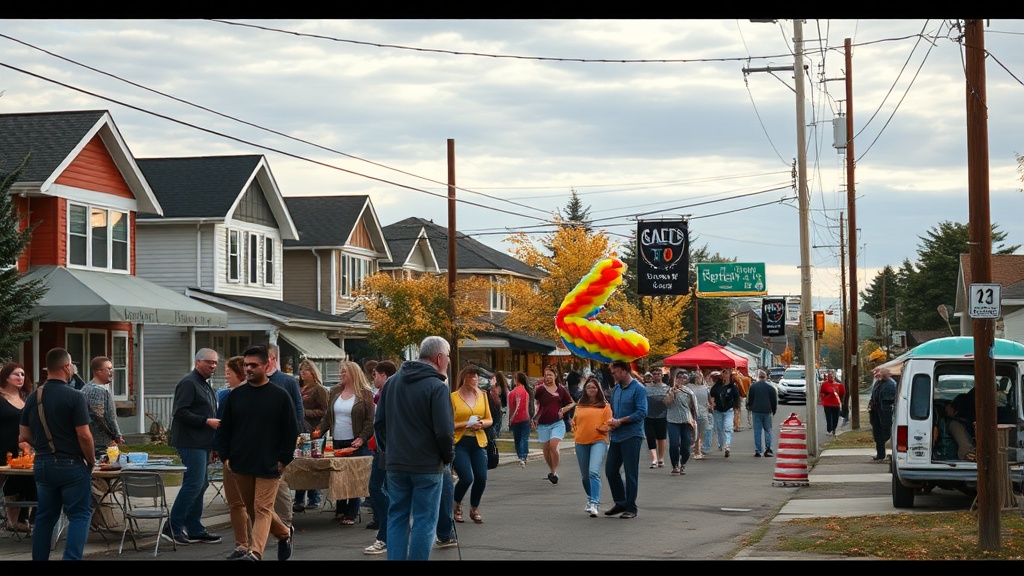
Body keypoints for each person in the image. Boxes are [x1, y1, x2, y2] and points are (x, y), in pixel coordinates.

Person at [374, 335, 455, 561]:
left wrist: (387, 450)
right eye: (447, 357)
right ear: (439, 358)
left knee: (397, 517)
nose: (448, 361)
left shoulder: (391, 383)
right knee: (424, 520)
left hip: (396, 463)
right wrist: (447, 456)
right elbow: (444, 431)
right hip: (427, 465)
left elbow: (378, 423)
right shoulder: (437, 387)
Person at [218, 345, 298, 562]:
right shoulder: (236, 396)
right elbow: (225, 429)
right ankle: (283, 534)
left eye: (254, 365)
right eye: (246, 365)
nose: (249, 369)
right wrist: (225, 456)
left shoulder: (280, 396)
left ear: (266, 365)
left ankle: (255, 553)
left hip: (269, 463)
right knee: (253, 510)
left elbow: (291, 431)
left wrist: (284, 459)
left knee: (262, 508)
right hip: (240, 463)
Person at [19, 348, 94, 560]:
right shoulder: (75, 396)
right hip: (71, 464)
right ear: (66, 367)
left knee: (44, 517)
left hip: (43, 463)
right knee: (80, 514)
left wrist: (44, 445)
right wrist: (91, 459)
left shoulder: (34, 397)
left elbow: (24, 434)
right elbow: (85, 435)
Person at [165, 348, 222, 545]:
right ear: (198, 362)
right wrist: (205, 421)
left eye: (215, 362)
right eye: (209, 362)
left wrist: (213, 444)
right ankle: (172, 527)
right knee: (194, 483)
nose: (213, 366)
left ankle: (195, 528)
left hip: (203, 443)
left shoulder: (205, 385)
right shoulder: (189, 383)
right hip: (190, 442)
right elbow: (180, 412)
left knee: (201, 484)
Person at [317, 359, 375, 525]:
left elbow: (369, 420)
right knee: (339, 477)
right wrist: (318, 430)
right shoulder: (335, 391)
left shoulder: (365, 393)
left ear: (353, 374)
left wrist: (362, 437)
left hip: (356, 441)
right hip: (337, 440)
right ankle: (340, 509)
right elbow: (328, 416)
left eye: (344, 372)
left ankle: (352, 512)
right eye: (340, 372)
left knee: (354, 478)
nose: (340, 375)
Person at [215, 356, 253, 560]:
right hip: (231, 458)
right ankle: (242, 544)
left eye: (229, 373)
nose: (226, 377)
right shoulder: (225, 396)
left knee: (258, 505)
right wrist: (223, 454)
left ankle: (279, 532)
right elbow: (222, 428)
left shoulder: (258, 395)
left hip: (254, 458)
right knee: (236, 503)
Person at [603, 359, 647, 519]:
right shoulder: (616, 390)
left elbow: (641, 412)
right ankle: (621, 502)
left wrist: (621, 421)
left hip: (632, 435)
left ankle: (631, 507)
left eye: (615, 372)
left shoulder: (638, 389)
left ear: (624, 370)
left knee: (630, 472)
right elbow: (614, 412)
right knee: (610, 470)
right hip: (617, 435)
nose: (613, 375)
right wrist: (612, 422)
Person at [265, 343, 303, 533]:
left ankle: (285, 521)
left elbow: (298, 406)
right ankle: (266, 518)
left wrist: (295, 432)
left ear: (272, 358)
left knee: (279, 480)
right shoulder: (256, 381)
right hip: (261, 439)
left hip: (281, 438)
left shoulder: (286, 381)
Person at [450, 365, 493, 525]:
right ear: (464, 378)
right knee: (467, 477)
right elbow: (448, 423)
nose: (475, 379)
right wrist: (464, 424)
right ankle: (456, 504)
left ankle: (474, 508)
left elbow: (490, 419)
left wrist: (481, 423)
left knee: (481, 477)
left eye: (476, 376)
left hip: (478, 441)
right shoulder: (453, 397)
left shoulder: (483, 395)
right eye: (471, 376)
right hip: (460, 442)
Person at [364, 359, 397, 556]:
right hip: (381, 448)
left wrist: (383, 446)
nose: (373, 378)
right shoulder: (382, 394)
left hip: (385, 450)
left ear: (384, 375)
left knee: (377, 488)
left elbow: (384, 424)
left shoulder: (389, 393)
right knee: (381, 489)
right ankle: (388, 531)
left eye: (376, 375)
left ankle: (385, 535)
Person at [1, 362, 36, 533]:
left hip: (24, 450)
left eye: (22, 374)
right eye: (16, 374)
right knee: (9, 481)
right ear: (6, 377)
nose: (21, 378)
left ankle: (22, 519)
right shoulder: (1, 398)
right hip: (3, 449)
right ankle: (12, 519)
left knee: (29, 479)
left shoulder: (26, 397)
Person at [571, 375, 612, 517]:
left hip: (598, 441)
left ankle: (595, 502)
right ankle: (590, 498)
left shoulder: (605, 406)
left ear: (598, 389)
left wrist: (603, 427)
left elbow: (609, 422)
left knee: (593, 471)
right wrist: (574, 428)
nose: (591, 389)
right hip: (581, 441)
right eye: (588, 387)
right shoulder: (579, 405)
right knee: (585, 476)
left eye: (593, 387)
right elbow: (574, 421)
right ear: (585, 389)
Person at [293, 359, 329, 514]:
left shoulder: (319, 390)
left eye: (305, 372)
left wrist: (304, 413)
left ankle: (314, 497)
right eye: (301, 372)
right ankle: (299, 498)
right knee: (301, 465)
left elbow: (325, 411)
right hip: (300, 432)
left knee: (313, 464)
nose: (302, 375)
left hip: (315, 430)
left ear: (312, 373)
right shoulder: (299, 388)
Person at [532, 365, 575, 484]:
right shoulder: (540, 389)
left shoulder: (561, 389)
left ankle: (554, 471)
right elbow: (534, 403)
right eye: (545, 375)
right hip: (543, 424)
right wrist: (534, 418)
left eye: (550, 375)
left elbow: (572, 403)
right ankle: (552, 472)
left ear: (555, 376)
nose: (547, 377)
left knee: (553, 445)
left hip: (557, 423)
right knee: (546, 450)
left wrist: (564, 410)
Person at [82, 356, 124, 459]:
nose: (111, 372)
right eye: (108, 369)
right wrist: (116, 435)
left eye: (111, 369)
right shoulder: (98, 391)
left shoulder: (85, 388)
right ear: (98, 371)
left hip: (90, 441)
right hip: (100, 443)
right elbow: (103, 417)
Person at [663, 369, 698, 475]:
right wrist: (673, 392)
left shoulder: (689, 392)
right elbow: (666, 403)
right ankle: (675, 465)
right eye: (679, 378)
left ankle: (683, 463)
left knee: (686, 446)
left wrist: (694, 420)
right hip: (672, 420)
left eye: (684, 378)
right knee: (674, 444)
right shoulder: (670, 390)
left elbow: (694, 407)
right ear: (675, 379)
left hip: (686, 421)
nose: (681, 380)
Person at [934, 393, 976, 461]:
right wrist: (970, 455)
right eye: (950, 408)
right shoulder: (954, 424)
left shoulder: (959, 422)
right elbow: (966, 449)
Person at [746, 369, 778, 457]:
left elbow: (750, 399)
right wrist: (773, 410)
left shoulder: (753, 387)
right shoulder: (771, 388)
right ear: (766, 377)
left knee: (757, 431)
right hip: (767, 411)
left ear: (758, 377)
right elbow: (774, 401)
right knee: (768, 430)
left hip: (756, 411)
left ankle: (758, 450)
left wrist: (749, 406)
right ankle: (768, 449)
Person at [709, 369, 740, 458]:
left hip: (728, 411)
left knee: (728, 427)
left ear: (730, 375)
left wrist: (735, 407)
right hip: (718, 411)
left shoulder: (733, 387)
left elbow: (736, 397)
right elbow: (712, 397)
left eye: (727, 373)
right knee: (719, 429)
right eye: (723, 373)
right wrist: (712, 403)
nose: (725, 376)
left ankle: (727, 446)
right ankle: (720, 444)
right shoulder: (716, 387)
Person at [643, 365, 670, 468]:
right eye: (654, 374)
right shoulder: (646, 388)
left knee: (661, 437)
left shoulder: (666, 388)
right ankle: (654, 458)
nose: (657, 376)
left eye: (659, 374)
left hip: (662, 416)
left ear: (662, 375)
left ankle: (661, 458)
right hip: (649, 416)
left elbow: (669, 401)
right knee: (650, 437)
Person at [868, 367, 898, 461]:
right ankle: (880, 454)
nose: (879, 375)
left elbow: (890, 401)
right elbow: (874, 395)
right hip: (876, 412)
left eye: (881, 374)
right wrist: (870, 405)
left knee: (886, 433)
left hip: (885, 412)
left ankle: (888, 453)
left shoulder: (891, 384)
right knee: (877, 434)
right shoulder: (878, 383)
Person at [507, 371, 533, 467]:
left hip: (515, 419)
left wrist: (511, 419)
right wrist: (530, 418)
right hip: (524, 418)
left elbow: (511, 407)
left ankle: (519, 455)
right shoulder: (526, 392)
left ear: (516, 380)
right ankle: (523, 456)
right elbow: (527, 407)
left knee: (517, 438)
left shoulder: (512, 393)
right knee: (524, 438)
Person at [686, 369, 713, 459]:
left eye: (699, 377)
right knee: (694, 432)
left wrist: (711, 405)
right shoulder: (689, 387)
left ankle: (697, 448)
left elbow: (710, 400)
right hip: (692, 413)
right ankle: (697, 450)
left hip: (703, 412)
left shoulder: (705, 388)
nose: (698, 379)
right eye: (696, 377)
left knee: (702, 432)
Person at [819, 372, 846, 437]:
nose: (831, 378)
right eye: (829, 376)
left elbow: (842, 394)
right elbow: (821, 393)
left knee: (835, 418)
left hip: (836, 404)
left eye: (832, 376)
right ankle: (829, 430)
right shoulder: (824, 384)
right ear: (827, 377)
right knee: (828, 417)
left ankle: (834, 428)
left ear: (835, 377)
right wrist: (822, 399)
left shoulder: (839, 385)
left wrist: (842, 402)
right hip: (827, 404)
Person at [490, 371, 510, 436]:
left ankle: (495, 434)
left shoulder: (497, 388)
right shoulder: (505, 388)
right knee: (499, 423)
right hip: (504, 408)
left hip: (497, 408)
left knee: (496, 423)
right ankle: (497, 434)